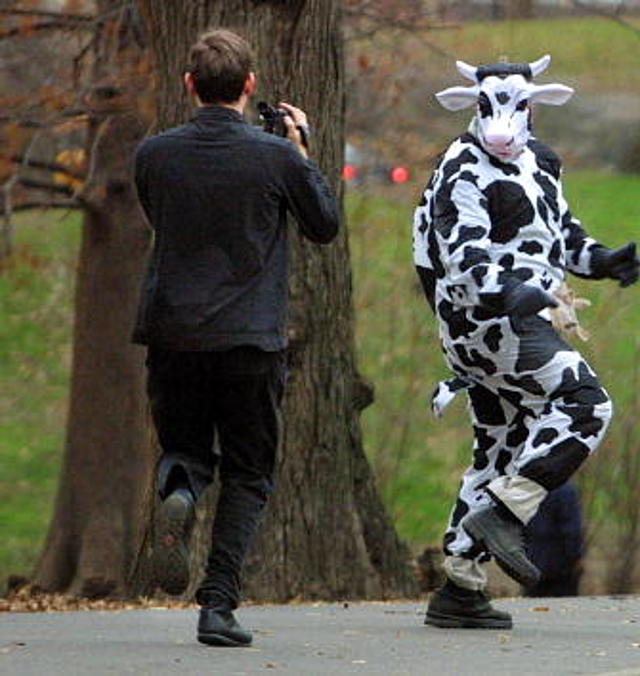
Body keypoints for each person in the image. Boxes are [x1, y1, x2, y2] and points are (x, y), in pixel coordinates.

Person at [413, 55, 640, 630]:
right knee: (586, 405)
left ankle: (461, 587)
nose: (503, 126)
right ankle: (508, 513)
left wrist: (604, 261)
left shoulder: (542, 162)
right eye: (491, 109)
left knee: (500, 445)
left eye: (516, 109)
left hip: (521, 318)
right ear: (475, 106)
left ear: (534, 107)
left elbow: (559, 235)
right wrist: (509, 293)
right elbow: (462, 263)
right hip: (483, 324)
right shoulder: (461, 168)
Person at [132, 29, 339, 647]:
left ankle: (179, 489)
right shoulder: (273, 157)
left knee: (187, 450)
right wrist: (300, 151)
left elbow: (157, 216)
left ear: (189, 85)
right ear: (250, 86)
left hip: (173, 336)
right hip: (249, 340)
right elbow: (323, 225)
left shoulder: (154, 155)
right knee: (249, 473)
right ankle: (217, 606)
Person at [523, 481, 584, 597]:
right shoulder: (565, 489)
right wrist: (575, 557)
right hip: (561, 565)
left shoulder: (527, 489)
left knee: (531, 608)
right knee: (564, 607)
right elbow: (571, 531)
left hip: (531, 562)